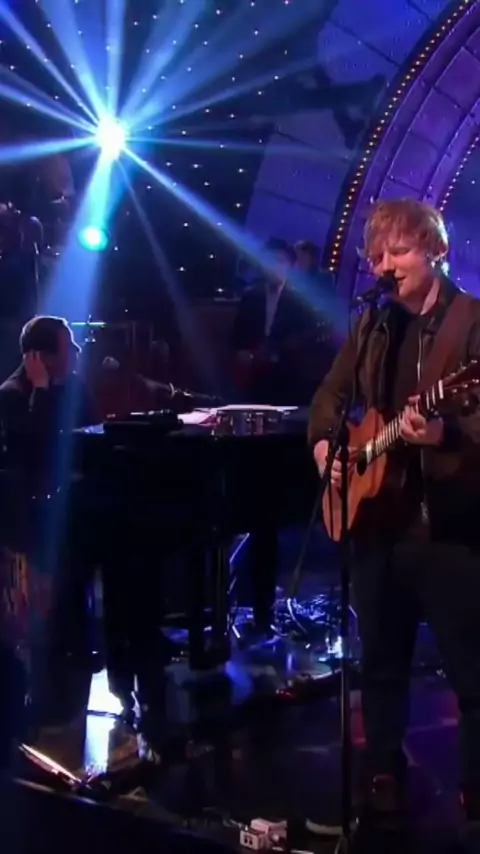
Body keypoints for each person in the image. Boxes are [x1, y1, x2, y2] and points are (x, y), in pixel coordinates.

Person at [308, 199, 480, 833]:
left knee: (471, 671)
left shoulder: (470, 323)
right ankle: (383, 773)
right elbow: (329, 398)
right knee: (379, 662)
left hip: (447, 528)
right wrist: (326, 446)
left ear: (436, 250)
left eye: (399, 252)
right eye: (377, 256)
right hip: (377, 526)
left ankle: (476, 790)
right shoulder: (372, 326)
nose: (386, 265)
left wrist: (445, 435)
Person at [232, 238, 316, 404]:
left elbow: (308, 335)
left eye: (280, 262)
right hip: (254, 370)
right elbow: (237, 336)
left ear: (289, 266)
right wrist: (244, 354)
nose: (273, 267)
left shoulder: (300, 299)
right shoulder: (251, 296)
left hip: (288, 371)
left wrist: (274, 350)